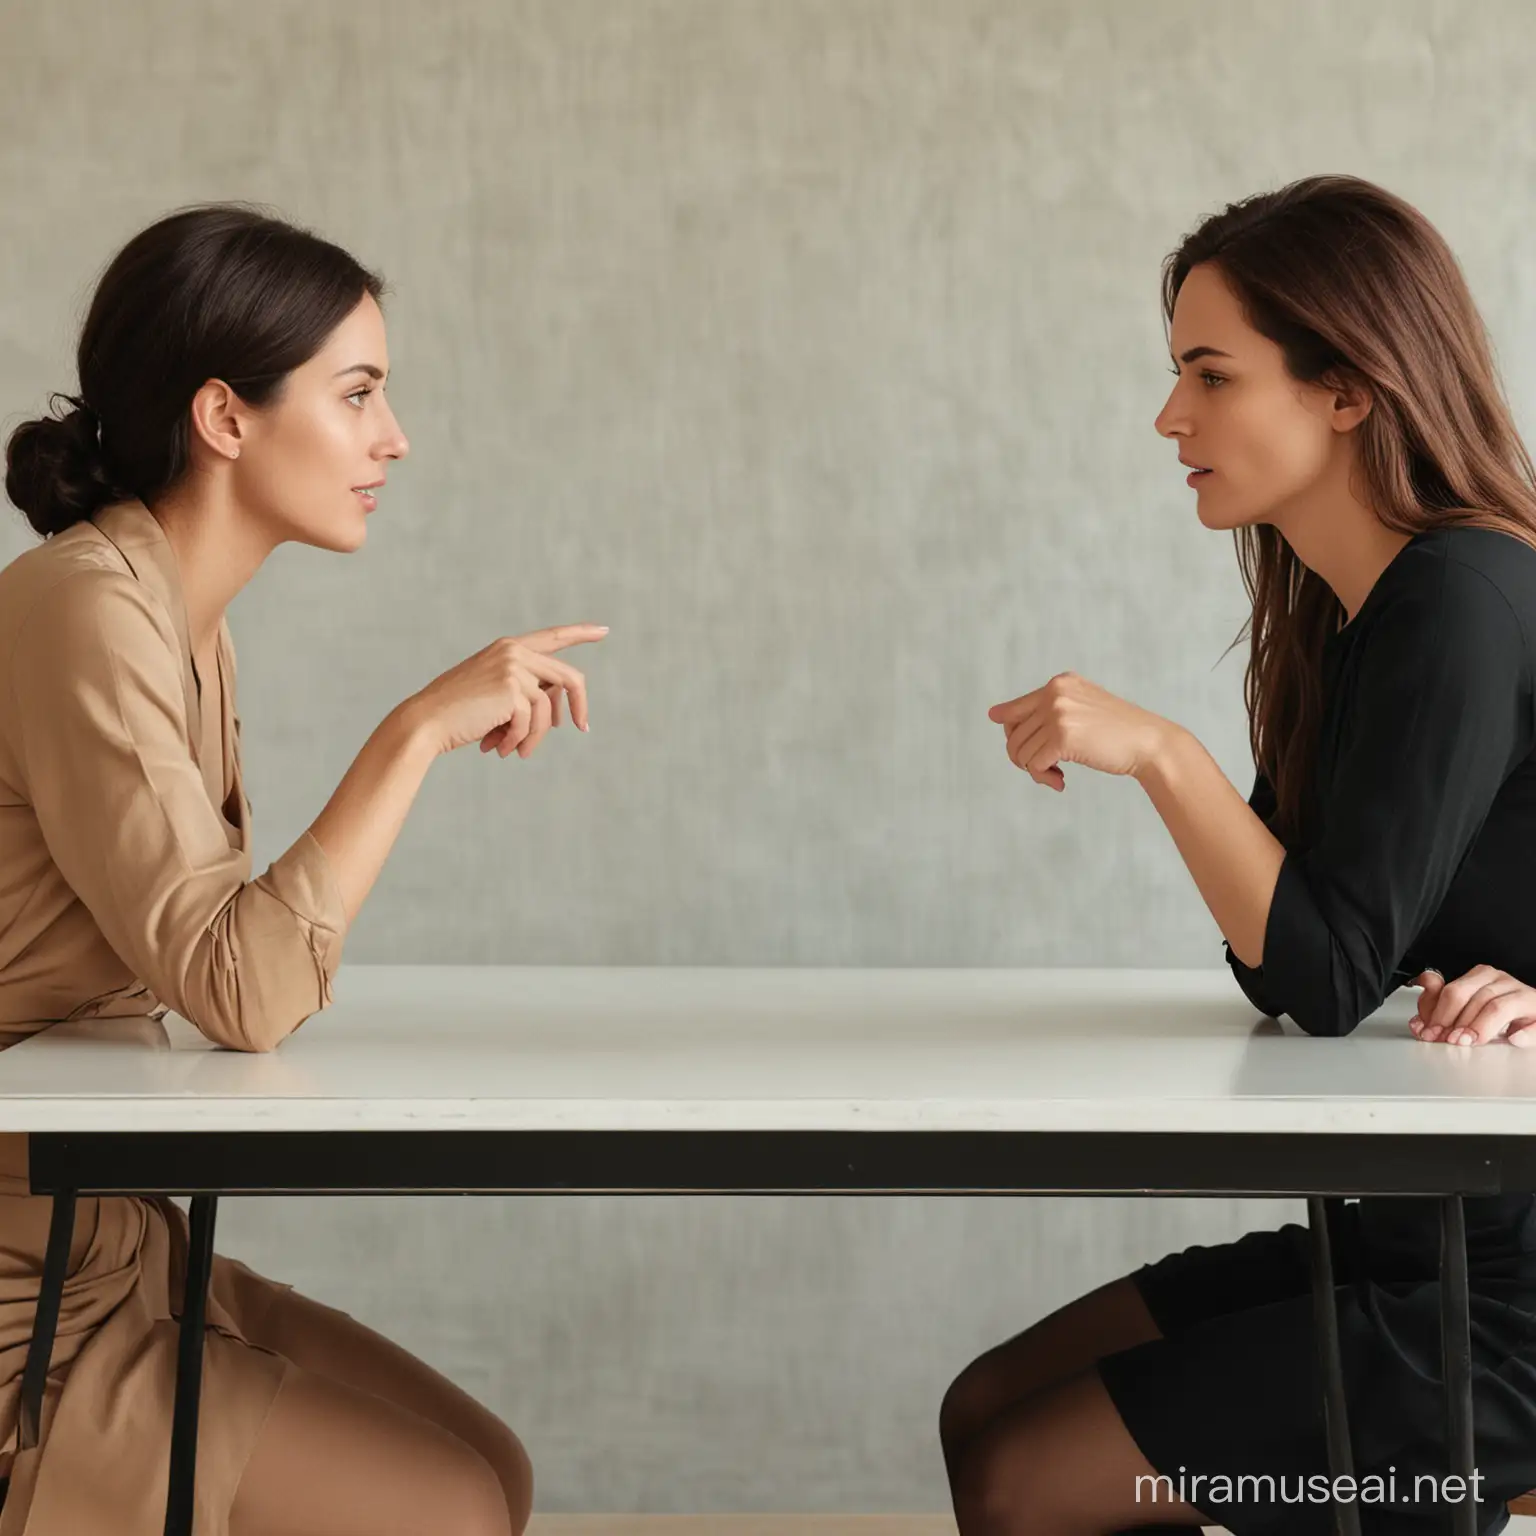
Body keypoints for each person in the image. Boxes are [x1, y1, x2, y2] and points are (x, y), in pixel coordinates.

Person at [943, 174, 1536, 1536]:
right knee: (989, 1412)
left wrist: (1164, 756)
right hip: (1409, 1231)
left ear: (1348, 389)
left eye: (1211, 375)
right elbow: (1291, 964)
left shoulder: (1462, 600)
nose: (1169, 418)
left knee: (1025, 1482)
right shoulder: (1354, 616)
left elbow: (1325, 976)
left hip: (1499, 1291)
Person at [0, 204, 607, 1535]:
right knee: (448, 1505)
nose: (392, 438)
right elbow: (240, 986)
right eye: (358, 393)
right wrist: (415, 730)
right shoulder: (87, 609)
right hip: (18, 1283)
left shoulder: (176, 622)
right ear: (226, 417)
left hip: (111, 1236)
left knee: (489, 1468)